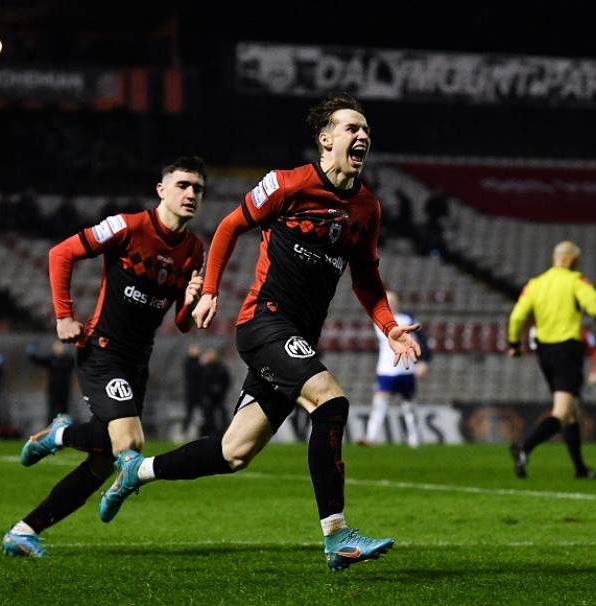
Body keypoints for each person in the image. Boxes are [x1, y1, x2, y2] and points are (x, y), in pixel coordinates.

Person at [95, 93, 422, 572]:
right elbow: (229, 227)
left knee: (234, 452)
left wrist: (390, 328)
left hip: (298, 338)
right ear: (325, 140)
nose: (362, 136)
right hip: (264, 321)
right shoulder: (289, 184)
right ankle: (337, 536)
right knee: (332, 403)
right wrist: (209, 290)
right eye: (351, 128)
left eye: (366, 129)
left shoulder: (367, 209)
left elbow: (367, 278)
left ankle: (137, 471)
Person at [1, 155, 207, 558]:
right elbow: (61, 253)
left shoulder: (195, 250)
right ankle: (58, 435)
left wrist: (191, 303)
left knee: (101, 463)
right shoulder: (127, 226)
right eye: (182, 185)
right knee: (130, 441)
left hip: (137, 360)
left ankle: (24, 531)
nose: (190, 194)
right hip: (103, 350)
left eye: (197, 188)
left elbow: (182, 323)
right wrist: (63, 316)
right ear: (161, 190)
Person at [506, 240, 596, 480]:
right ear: (572, 259)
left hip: (545, 352)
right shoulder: (575, 281)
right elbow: (595, 306)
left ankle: (580, 469)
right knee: (562, 411)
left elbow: (517, 316)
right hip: (567, 350)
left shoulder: (535, 284)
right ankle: (524, 449)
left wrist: (514, 344)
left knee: (572, 412)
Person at [358, 290, 431, 448]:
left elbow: (423, 341)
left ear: (398, 302)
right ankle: (370, 438)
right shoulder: (379, 319)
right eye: (387, 299)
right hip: (386, 370)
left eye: (392, 299)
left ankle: (414, 440)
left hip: (406, 369)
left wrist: (423, 362)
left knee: (409, 406)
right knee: (379, 403)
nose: (390, 302)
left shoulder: (408, 319)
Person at [26, 340, 76, 424]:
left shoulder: (69, 359)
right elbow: (37, 361)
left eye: (61, 347)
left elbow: (80, 363)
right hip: (53, 389)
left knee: (65, 410)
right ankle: (49, 428)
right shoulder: (50, 359)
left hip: (65, 388)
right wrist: (31, 354)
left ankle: (65, 428)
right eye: (57, 347)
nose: (59, 349)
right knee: (52, 409)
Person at [199, 346, 231, 438]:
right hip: (208, 396)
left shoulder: (221, 367)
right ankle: (209, 432)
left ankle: (223, 431)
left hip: (219, 396)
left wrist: (221, 389)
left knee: (222, 414)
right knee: (208, 416)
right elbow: (199, 381)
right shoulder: (204, 368)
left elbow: (227, 380)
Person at [180, 342, 205, 440]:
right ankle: (184, 432)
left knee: (203, 414)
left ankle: (202, 433)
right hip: (191, 392)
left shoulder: (200, 363)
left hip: (200, 393)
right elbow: (192, 372)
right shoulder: (189, 362)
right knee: (189, 413)